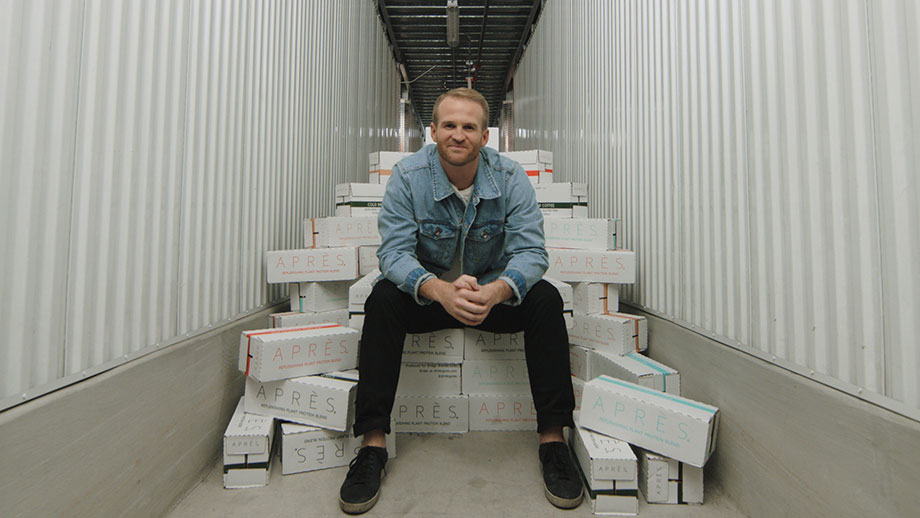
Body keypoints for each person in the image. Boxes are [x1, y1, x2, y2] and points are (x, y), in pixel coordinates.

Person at [338, 88, 581, 514]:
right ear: (432, 131)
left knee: (545, 298)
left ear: (485, 136)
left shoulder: (509, 178)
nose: (458, 134)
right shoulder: (408, 176)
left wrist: (497, 290)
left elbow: (531, 253)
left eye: (469, 127)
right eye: (449, 125)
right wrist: (438, 290)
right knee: (381, 299)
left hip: (489, 297)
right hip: (430, 297)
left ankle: (553, 441)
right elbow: (392, 254)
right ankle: (372, 445)